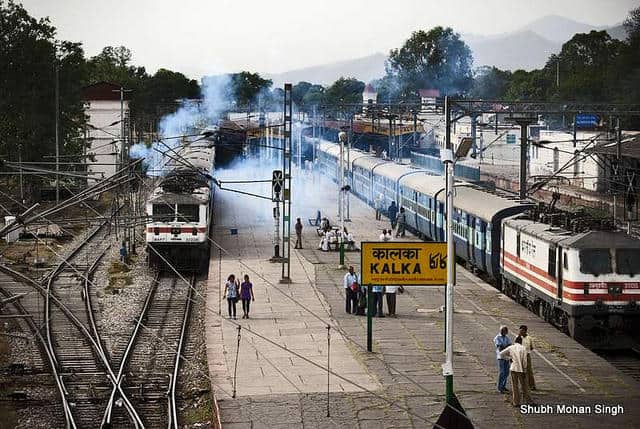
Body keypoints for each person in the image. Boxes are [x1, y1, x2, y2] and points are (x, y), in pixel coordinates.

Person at [500, 336, 533, 407]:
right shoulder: (523, 348)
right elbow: (524, 360)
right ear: (521, 341)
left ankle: (516, 402)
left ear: (515, 341)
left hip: (513, 368)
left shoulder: (511, 347)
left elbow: (501, 354)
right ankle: (528, 401)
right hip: (521, 369)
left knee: (515, 386)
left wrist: (509, 358)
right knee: (524, 386)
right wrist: (525, 369)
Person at [494, 325, 512, 393]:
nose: (502, 332)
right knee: (502, 372)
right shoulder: (497, 338)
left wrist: (505, 347)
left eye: (504, 331)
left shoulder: (507, 337)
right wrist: (506, 347)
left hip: (506, 357)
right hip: (501, 357)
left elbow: (510, 345)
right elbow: (500, 347)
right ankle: (499, 387)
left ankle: (503, 386)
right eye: (502, 330)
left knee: (507, 372)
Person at [519, 325, 536, 390]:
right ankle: (523, 385)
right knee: (521, 370)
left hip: (527, 355)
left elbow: (532, 347)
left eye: (522, 331)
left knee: (529, 371)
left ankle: (532, 385)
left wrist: (527, 351)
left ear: (525, 331)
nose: (520, 332)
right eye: (520, 331)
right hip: (520, 355)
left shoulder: (529, 338)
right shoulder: (518, 337)